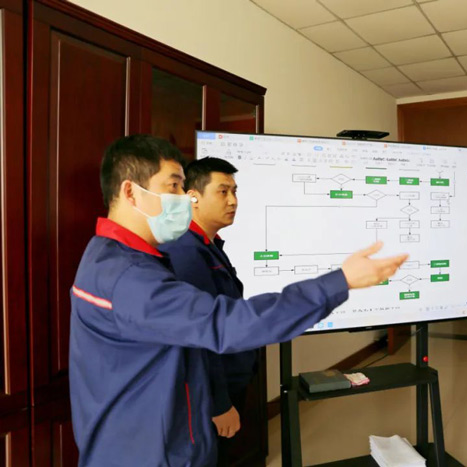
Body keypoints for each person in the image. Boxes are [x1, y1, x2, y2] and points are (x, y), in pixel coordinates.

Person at [69, 134, 408, 466]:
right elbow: (227, 324)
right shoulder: (128, 278)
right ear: (130, 191)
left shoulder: (115, 255)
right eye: (173, 186)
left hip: (160, 436)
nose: (183, 198)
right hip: (148, 451)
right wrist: (340, 281)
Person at [159, 157, 256, 465]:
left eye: (235, 192)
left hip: (230, 378)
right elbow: (199, 335)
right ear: (193, 197)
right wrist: (219, 403)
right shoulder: (186, 250)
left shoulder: (207, 244)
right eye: (223, 191)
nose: (233, 201)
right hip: (212, 392)